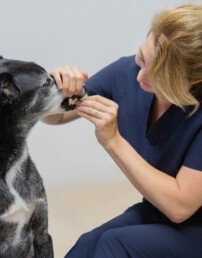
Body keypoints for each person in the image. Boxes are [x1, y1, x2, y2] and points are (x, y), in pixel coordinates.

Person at [43, 4, 202, 258]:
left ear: (192, 81)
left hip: (195, 228)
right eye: (141, 58)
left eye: (157, 77)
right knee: (87, 245)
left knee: (114, 246)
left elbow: (179, 207)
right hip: (155, 212)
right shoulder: (126, 73)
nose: (140, 77)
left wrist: (113, 141)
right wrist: (53, 89)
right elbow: (57, 116)